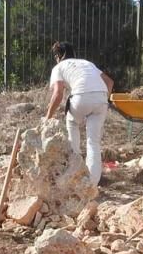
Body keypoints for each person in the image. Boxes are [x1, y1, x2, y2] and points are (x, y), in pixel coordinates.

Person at [45, 41, 114, 185]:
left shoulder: (59, 67)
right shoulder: (86, 63)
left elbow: (58, 94)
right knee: (93, 142)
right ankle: (92, 184)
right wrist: (102, 100)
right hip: (101, 97)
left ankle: (74, 172)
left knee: (72, 123)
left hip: (81, 97)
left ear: (58, 56)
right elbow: (109, 82)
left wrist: (47, 118)